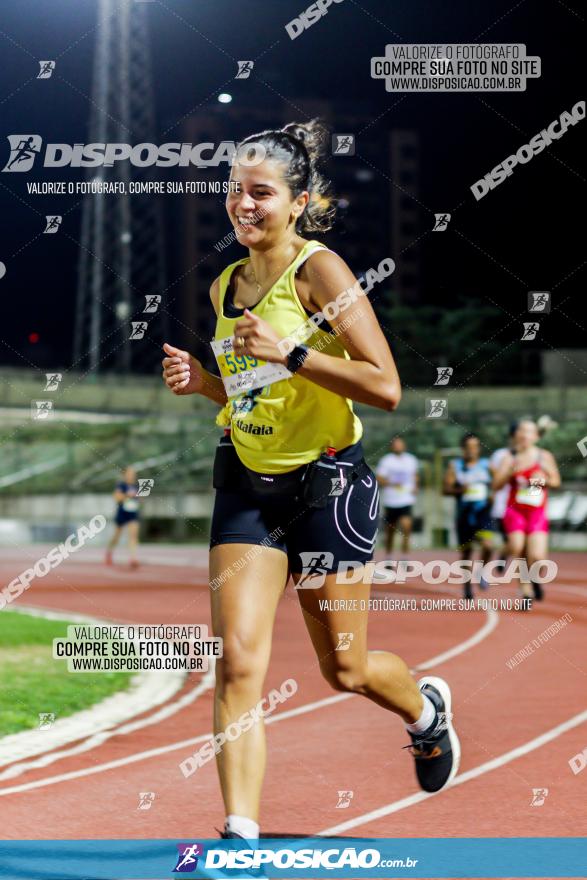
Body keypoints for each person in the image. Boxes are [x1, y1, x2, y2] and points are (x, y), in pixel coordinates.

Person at [161, 120, 460, 841]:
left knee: (345, 671)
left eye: (260, 193)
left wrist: (293, 351)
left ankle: (425, 712)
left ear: (298, 202)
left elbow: (385, 386)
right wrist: (206, 383)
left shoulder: (318, 272)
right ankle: (240, 832)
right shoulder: (225, 284)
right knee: (237, 661)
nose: (244, 205)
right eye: (235, 191)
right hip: (246, 486)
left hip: (326, 487)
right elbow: (249, 393)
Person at [493, 418, 560, 604]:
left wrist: (543, 479)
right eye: (521, 431)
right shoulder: (509, 458)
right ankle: (525, 589)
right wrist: (508, 472)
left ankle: (533, 580)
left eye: (529, 431)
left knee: (537, 558)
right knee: (517, 547)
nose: (524, 435)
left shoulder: (544, 457)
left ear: (536, 436)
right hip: (515, 511)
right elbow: (496, 485)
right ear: (515, 435)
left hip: (537, 512)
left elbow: (556, 482)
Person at [443, 433, 493, 600]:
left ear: (479, 448)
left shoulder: (487, 465)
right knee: (467, 553)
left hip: (483, 513)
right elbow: (445, 489)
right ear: (463, 448)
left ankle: (482, 571)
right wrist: (459, 490)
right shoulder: (455, 466)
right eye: (468, 447)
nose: (471, 450)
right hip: (464, 515)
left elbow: (498, 483)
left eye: (475, 447)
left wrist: (493, 494)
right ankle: (466, 587)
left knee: (488, 546)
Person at [376, 436, 419, 554]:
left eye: (400, 444)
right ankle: (388, 556)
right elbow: (379, 479)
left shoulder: (411, 460)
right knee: (390, 530)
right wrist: (392, 483)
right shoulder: (386, 460)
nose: (398, 446)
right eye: (395, 444)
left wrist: (415, 486)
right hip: (391, 501)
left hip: (406, 499)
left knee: (407, 527)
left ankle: (405, 557)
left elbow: (415, 475)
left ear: (404, 446)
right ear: (391, 447)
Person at [489, 422, 519, 572]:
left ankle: (503, 555)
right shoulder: (500, 455)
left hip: (525, 505)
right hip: (504, 506)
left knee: (521, 544)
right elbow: (495, 480)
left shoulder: (535, 455)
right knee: (513, 542)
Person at [105, 466, 140, 568]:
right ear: (125, 475)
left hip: (132, 513)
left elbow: (139, 500)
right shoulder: (121, 485)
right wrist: (127, 496)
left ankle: (133, 558)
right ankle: (109, 552)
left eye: (133, 474)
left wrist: (138, 497)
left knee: (133, 535)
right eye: (130, 473)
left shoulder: (136, 486)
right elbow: (117, 498)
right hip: (122, 513)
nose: (132, 476)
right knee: (116, 537)